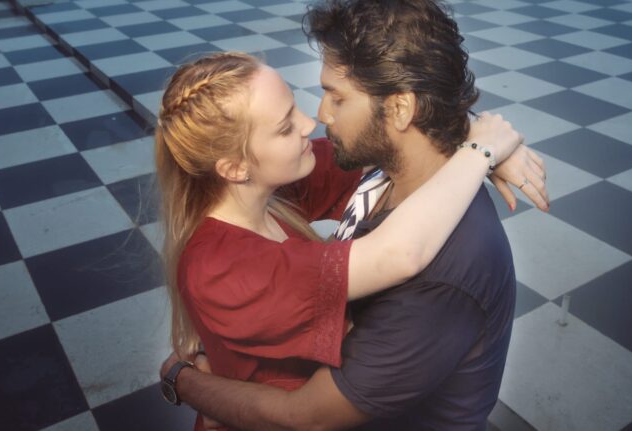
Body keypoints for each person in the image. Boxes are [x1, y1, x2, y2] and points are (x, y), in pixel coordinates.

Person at [159, 1, 549, 430]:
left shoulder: (442, 274)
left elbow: (307, 417)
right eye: (285, 126)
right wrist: (480, 146)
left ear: (400, 109)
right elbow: (396, 239)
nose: (316, 118)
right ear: (235, 167)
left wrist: (481, 145)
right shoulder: (245, 236)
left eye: (337, 97)